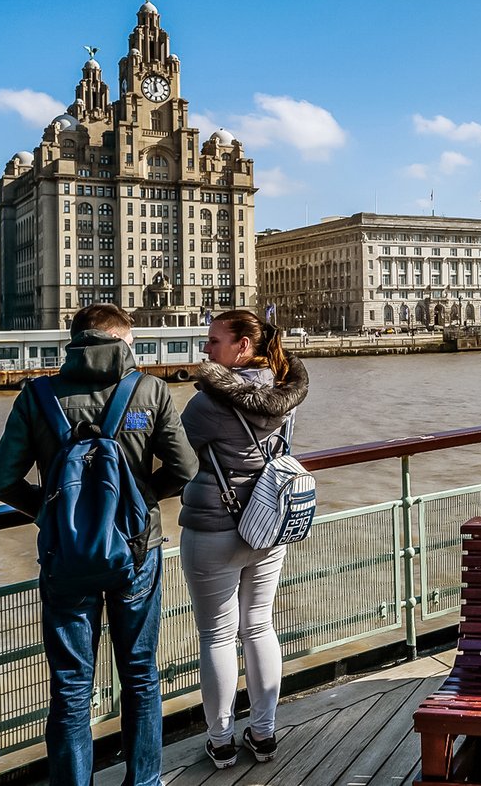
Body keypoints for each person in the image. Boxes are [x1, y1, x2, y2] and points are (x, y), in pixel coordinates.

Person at [0, 304, 196, 786]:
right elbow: (186, 471)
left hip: (66, 558)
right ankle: (143, 781)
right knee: (140, 675)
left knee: (72, 686)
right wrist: (138, 505)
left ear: (75, 340)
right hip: (136, 555)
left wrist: (50, 512)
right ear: (122, 342)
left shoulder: (37, 395)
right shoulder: (148, 390)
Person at [178, 309, 310, 768]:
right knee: (259, 625)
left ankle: (220, 740)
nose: (206, 349)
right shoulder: (284, 395)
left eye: (215, 342)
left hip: (213, 526)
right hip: (268, 522)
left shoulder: (205, 404)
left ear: (242, 347)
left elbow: (174, 455)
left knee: (216, 634)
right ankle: (265, 733)